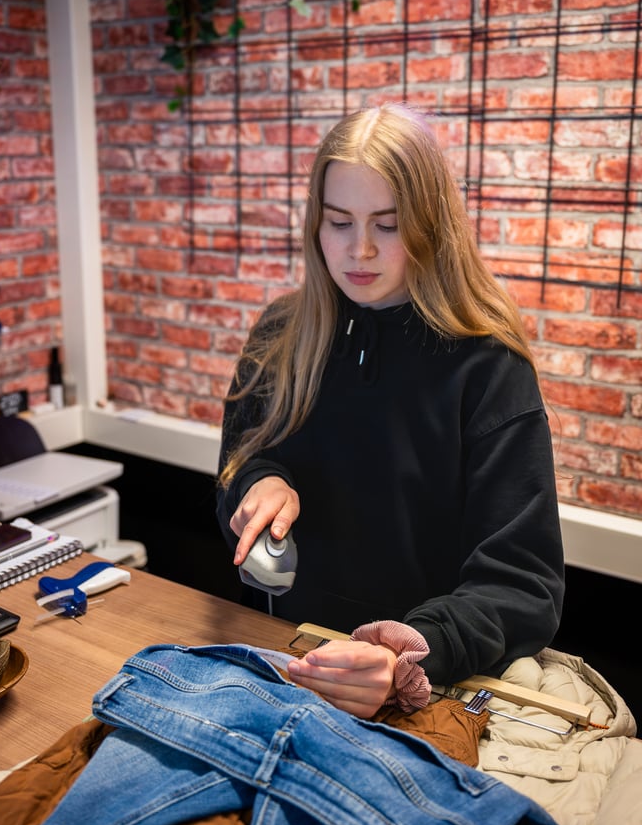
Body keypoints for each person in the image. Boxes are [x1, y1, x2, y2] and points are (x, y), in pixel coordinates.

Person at [216, 102, 564, 720]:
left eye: (388, 224)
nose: (360, 250)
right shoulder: (281, 334)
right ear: (314, 224)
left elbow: (522, 585)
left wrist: (412, 653)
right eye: (339, 222)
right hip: (290, 661)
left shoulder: (488, 365)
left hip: (426, 694)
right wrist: (258, 481)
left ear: (431, 224)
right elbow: (238, 467)